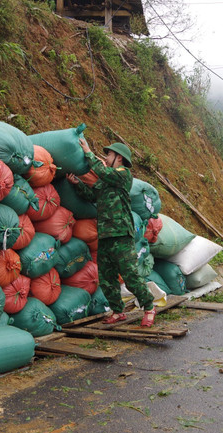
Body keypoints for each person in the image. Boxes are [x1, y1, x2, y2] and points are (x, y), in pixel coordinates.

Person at [67, 139, 156, 327]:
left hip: (121, 234)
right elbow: (92, 196)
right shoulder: (106, 181)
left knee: (130, 275)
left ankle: (149, 307)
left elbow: (102, 171)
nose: (106, 157)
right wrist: (77, 184)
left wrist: (88, 152)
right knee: (107, 278)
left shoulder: (123, 175)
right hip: (106, 235)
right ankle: (117, 311)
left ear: (119, 158)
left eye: (109, 154)